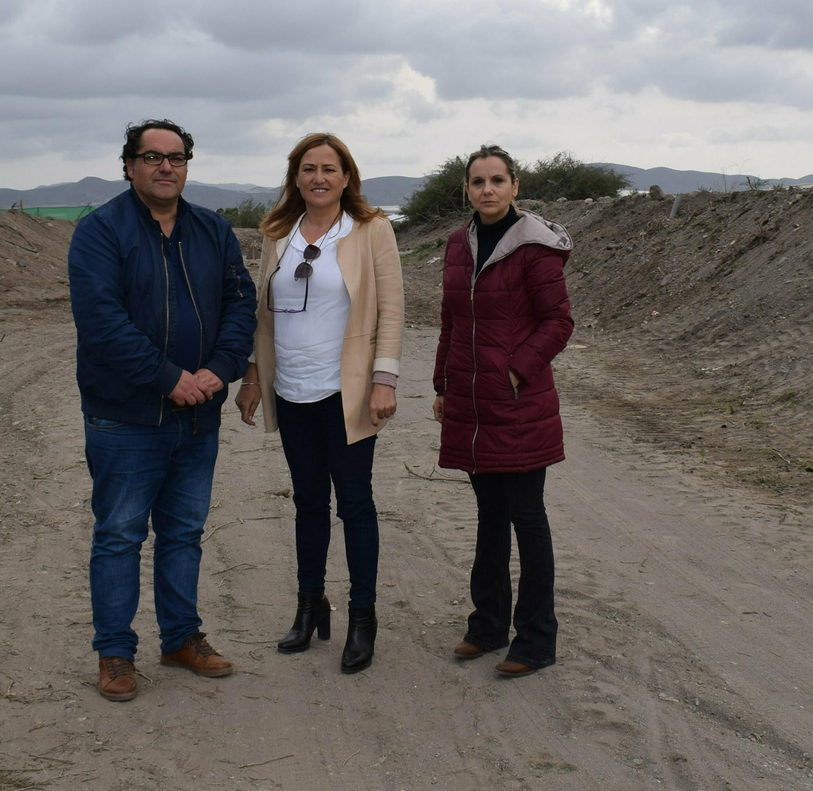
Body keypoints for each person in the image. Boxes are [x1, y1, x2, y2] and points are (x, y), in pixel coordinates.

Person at [68, 119, 257, 702]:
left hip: (197, 415)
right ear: (128, 165)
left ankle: (180, 638)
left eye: (176, 157)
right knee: (120, 535)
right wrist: (166, 377)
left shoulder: (212, 229)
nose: (165, 167)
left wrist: (220, 368)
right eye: (151, 157)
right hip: (124, 418)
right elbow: (102, 322)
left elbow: (240, 303)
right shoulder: (100, 232)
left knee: (183, 533)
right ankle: (116, 654)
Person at [236, 133, 403, 674]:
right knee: (308, 501)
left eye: (330, 169)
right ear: (295, 177)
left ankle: (362, 616)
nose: (319, 178)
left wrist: (385, 379)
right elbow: (264, 315)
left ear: (347, 177)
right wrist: (255, 377)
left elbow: (392, 313)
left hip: (347, 390)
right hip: (293, 389)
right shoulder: (277, 233)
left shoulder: (371, 229)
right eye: (308, 169)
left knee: (354, 503)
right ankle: (311, 606)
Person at [432, 145, 573, 677]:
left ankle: (536, 638)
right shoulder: (456, 245)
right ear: (466, 189)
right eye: (476, 181)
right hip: (471, 406)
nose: (486, 190)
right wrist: (443, 383)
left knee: (527, 519)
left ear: (515, 186)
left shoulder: (535, 249)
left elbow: (558, 322)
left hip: (516, 403)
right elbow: (450, 323)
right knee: (489, 517)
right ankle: (487, 626)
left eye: (496, 180)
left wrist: (515, 370)